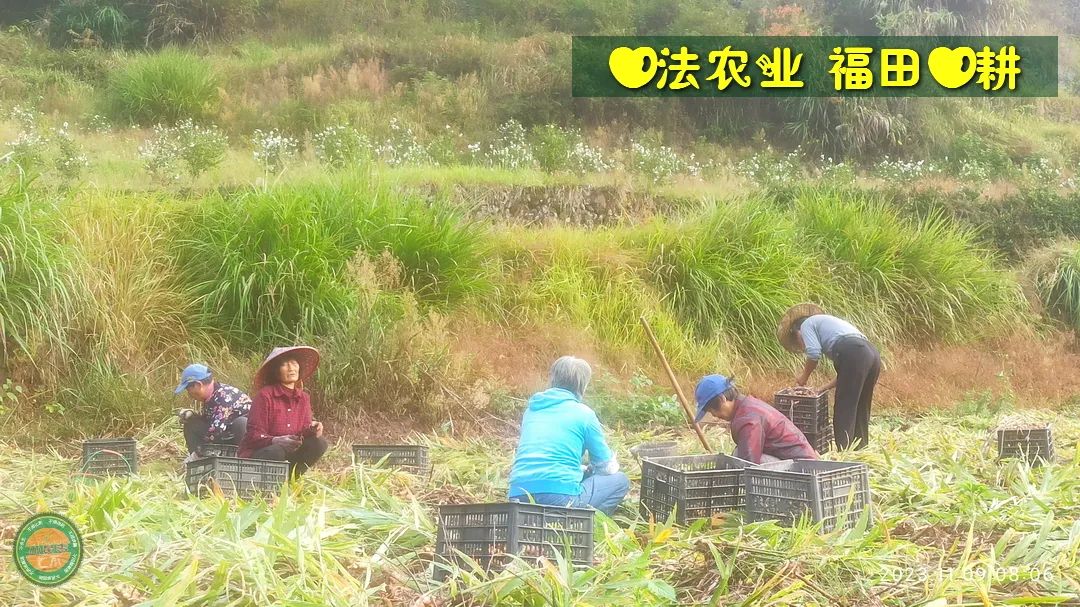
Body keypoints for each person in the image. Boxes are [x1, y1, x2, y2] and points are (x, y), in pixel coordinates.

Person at [508, 356, 629, 516]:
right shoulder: (584, 414)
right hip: (560, 497)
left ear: (552, 379)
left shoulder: (531, 410)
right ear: (582, 386)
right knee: (620, 481)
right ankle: (588, 528)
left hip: (517, 496)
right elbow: (605, 466)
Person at [778, 303, 881, 450]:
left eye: (799, 342)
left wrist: (803, 378)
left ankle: (844, 453)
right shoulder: (831, 327)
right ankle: (860, 450)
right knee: (860, 406)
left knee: (844, 408)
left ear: (797, 332)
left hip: (855, 352)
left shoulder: (807, 324)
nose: (802, 346)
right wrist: (823, 388)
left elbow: (813, 354)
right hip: (871, 354)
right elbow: (847, 374)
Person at [238, 346, 328, 477]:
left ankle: (291, 479)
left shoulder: (303, 398)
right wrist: (275, 440)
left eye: (294, 363)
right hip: (263, 454)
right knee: (277, 450)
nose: (291, 368)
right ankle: (267, 483)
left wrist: (312, 429)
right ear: (276, 371)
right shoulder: (265, 396)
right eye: (284, 364)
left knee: (319, 443)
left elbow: (301, 431)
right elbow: (253, 436)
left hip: (289, 453)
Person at [693, 374, 818, 464]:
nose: (715, 415)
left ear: (722, 399)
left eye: (712, 410)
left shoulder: (748, 419)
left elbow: (748, 463)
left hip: (802, 470)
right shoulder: (747, 406)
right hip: (799, 463)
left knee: (739, 460)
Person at [174, 363, 251, 464]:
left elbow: (215, 433)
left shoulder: (224, 397)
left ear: (198, 385)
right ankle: (200, 463)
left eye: (189, 390)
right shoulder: (211, 396)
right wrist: (193, 415)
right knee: (191, 424)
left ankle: (244, 462)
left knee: (241, 424)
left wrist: (198, 453)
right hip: (226, 435)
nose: (189, 395)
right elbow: (210, 421)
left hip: (240, 439)